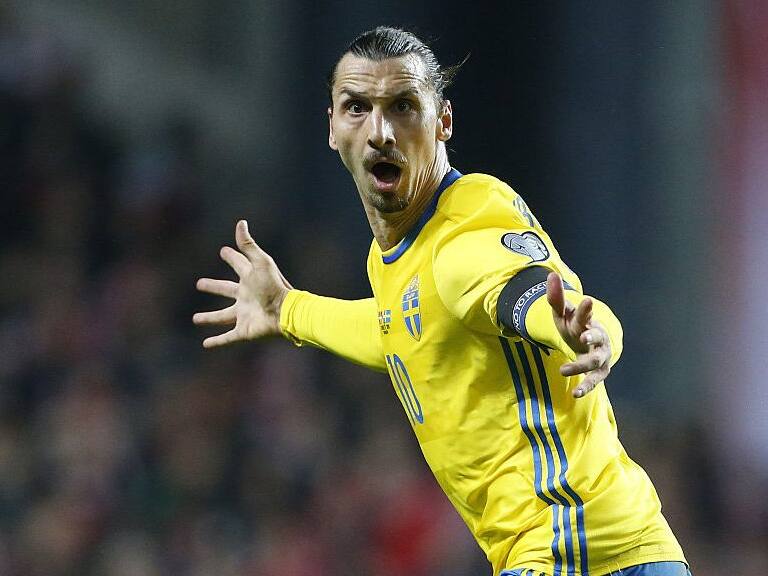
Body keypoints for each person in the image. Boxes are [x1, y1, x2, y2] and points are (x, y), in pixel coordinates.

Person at [193, 26, 690, 576]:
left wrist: (584, 332)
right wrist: (289, 310)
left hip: (575, 549)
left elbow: (533, 296)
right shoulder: (400, 256)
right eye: (357, 107)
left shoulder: (465, 229)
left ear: (443, 121)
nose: (380, 130)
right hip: (602, 549)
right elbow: (398, 332)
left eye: (403, 106)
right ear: (332, 128)